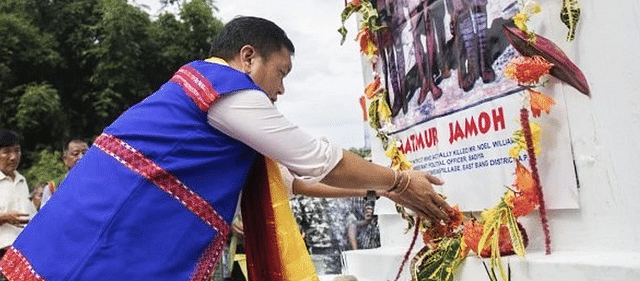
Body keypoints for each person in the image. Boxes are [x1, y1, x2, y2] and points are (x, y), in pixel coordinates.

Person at [0, 16, 450, 281]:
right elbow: (316, 157)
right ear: (248, 56)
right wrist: (398, 179)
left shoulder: (214, 104)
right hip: (104, 242)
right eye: (282, 72)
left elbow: (299, 181)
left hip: (108, 237)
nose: (282, 90)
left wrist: (381, 190)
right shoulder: (224, 89)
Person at [0, 130, 35, 262]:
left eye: (17, 150)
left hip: (23, 258)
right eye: (7, 152)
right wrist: (5, 218)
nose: (13, 157)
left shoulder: (22, 180)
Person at [40, 138, 89, 207]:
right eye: (75, 154)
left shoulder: (99, 183)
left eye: (85, 153)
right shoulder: (53, 188)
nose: (81, 157)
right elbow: (46, 216)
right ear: (65, 159)